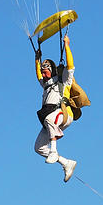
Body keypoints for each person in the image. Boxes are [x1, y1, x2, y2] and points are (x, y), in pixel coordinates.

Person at [34, 34, 77, 182]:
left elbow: (70, 67)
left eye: (46, 70)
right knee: (38, 147)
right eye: (43, 70)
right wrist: (36, 59)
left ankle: (54, 150)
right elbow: (38, 75)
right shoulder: (46, 84)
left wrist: (67, 46)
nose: (43, 73)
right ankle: (66, 163)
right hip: (50, 119)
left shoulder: (63, 80)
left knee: (49, 118)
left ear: (51, 70)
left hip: (64, 114)